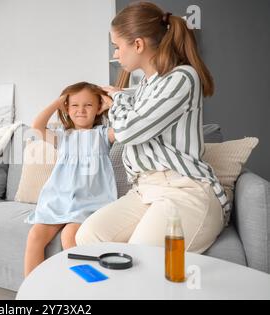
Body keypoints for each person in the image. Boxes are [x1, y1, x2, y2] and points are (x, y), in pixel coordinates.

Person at [76, 1, 229, 254]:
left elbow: (129, 131)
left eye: (117, 47)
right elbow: (132, 109)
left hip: (183, 190)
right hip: (145, 190)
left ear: (138, 44)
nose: (115, 54)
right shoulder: (147, 85)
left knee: (142, 257)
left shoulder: (182, 77)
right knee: (89, 235)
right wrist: (118, 96)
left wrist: (118, 99)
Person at [23, 82, 117, 276]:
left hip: (90, 202)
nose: (81, 110)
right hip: (58, 201)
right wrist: (58, 103)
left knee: (70, 237)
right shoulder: (62, 137)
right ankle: (32, 293)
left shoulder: (102, 135)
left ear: (99, 107)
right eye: (74, 105)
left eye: (88, 105)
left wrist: (114, 103)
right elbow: (37, 126)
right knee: (35, 236)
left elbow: (126, 128)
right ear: (66, 107)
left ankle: (87, 286)